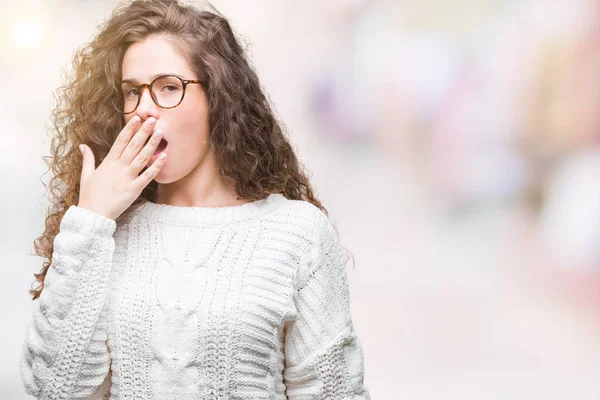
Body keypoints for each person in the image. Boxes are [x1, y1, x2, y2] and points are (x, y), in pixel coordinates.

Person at [19, 0, 370, 399]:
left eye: (168, 87)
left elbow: (333, 392)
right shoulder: (100, 233)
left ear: (218, 97)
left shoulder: (297, 232)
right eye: (132, 92)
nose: (143, 110)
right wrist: (90, 220)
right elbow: (53, 390)